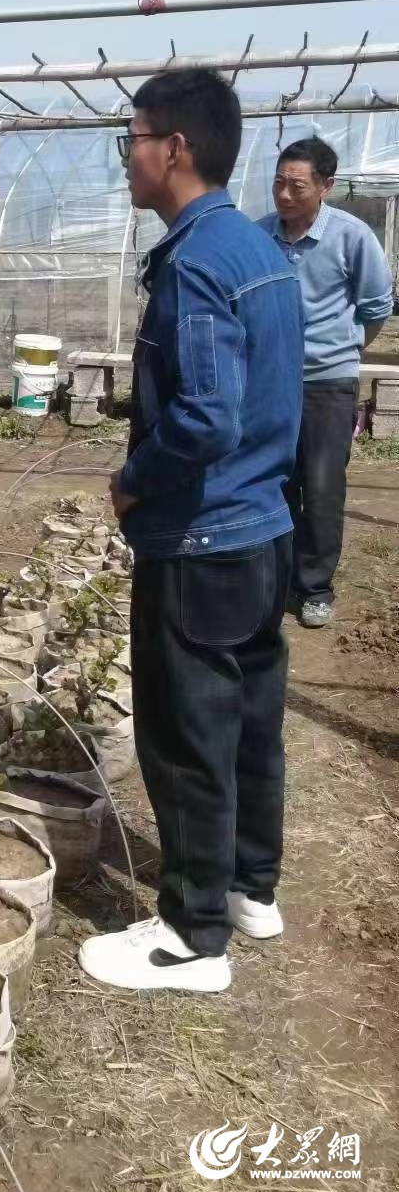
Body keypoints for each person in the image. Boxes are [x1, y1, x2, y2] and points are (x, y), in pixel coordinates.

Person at [78, 68, 304, 995]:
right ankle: (250, 887)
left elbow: (207, 414)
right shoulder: (256, 250)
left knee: (186, 736)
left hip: (203, 539)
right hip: (262, 529)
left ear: (173, 149)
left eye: (130, 139)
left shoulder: (197, 261)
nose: (124, 157)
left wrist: (133, 482)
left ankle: (190, 935)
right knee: (248, 723)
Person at [257, 136, 394, 628]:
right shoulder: (259, 235)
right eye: (279, 183)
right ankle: (273, 580)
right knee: (271, 481)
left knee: (320, 486)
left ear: (326, 186)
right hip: (271, 383)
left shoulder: (352, 237)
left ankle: (314, 587)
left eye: (296, 186)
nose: (284, 194)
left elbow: (376, 307)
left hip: (327, 384)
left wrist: (344, 350)